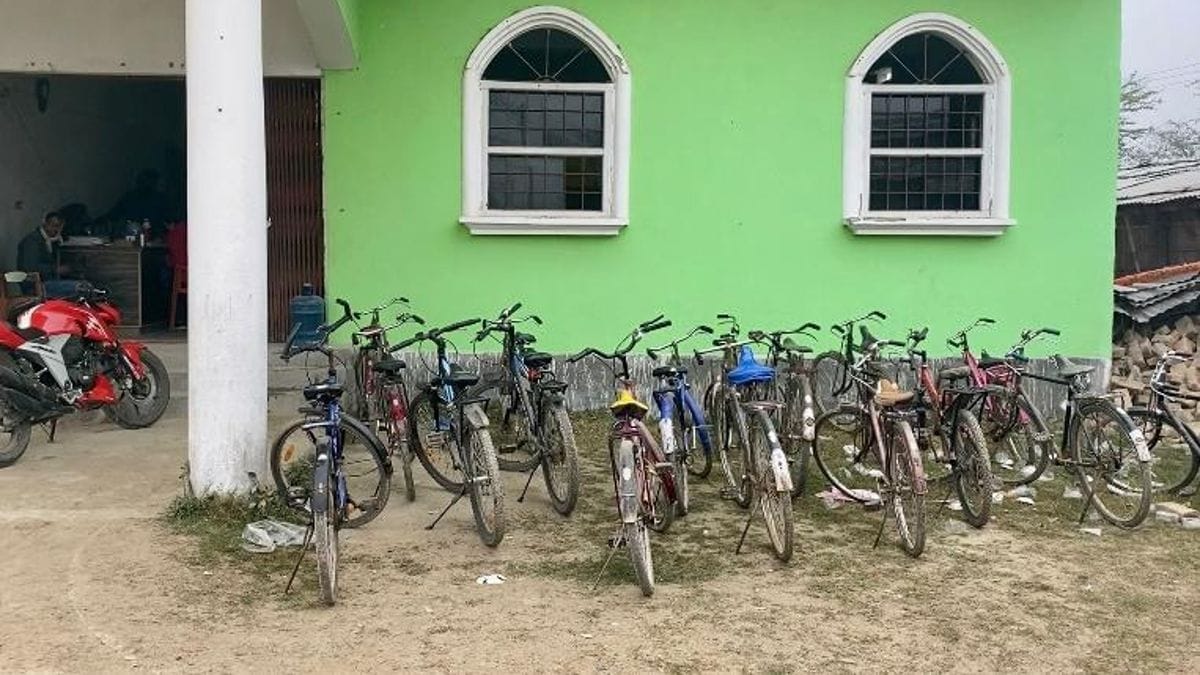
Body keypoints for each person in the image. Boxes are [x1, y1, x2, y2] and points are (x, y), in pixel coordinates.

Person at [16, 211, 79, 298]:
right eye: (54, 226)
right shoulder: (32, 241)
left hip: (48, 282)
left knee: (82, 285)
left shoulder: (51, 241)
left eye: (59, 227)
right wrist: (55, 270)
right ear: (45, 224)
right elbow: (30, 268)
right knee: (79, 287)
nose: (56, 230)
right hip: (34, 286)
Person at [107, 169, 168, 233]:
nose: (146, 184)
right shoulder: (129, 197)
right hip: (133, 234)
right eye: (143, 181)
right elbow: (114, 214)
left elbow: (168, 221)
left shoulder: (160, 199)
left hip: (155, 236)